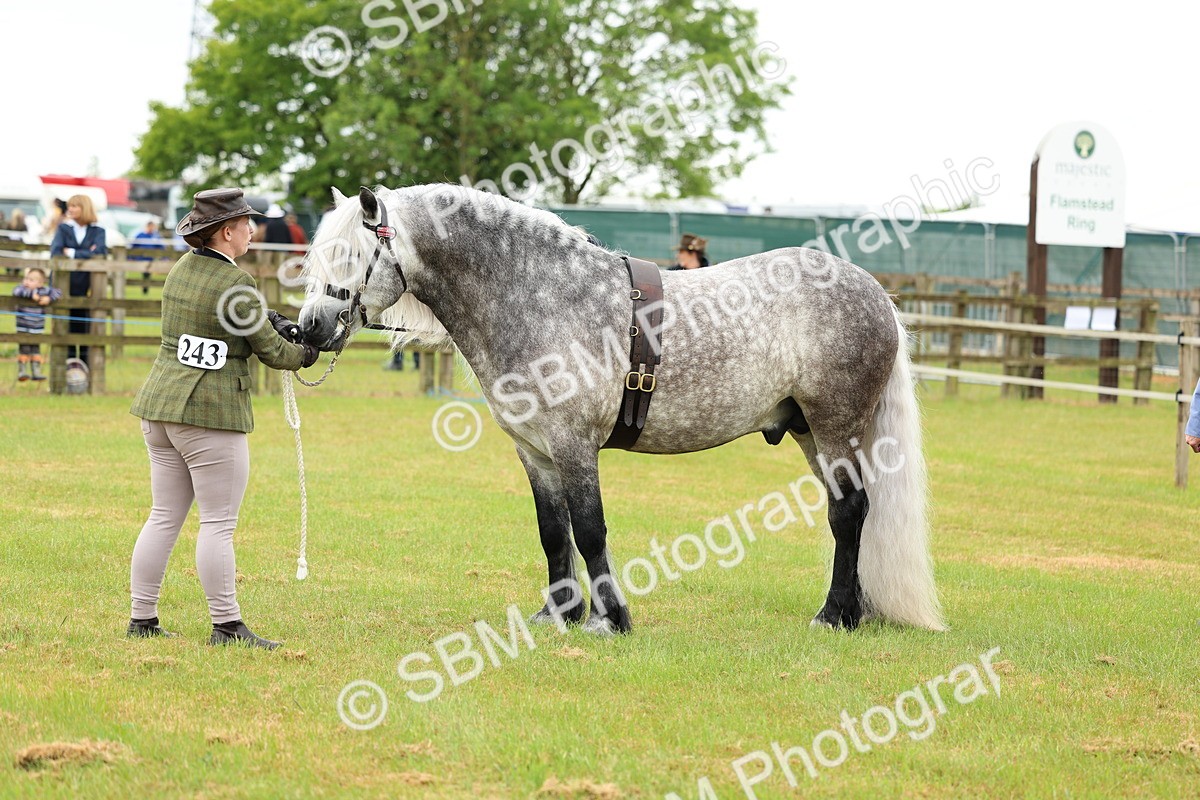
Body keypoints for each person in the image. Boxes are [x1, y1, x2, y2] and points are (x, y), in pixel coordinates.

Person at [127, 187, 319, 649]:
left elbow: (219, 321)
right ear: (227, 231)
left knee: (163, 516)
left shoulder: (181, 270)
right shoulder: (236, 284)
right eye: (246, 223)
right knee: (218, 523)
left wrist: (266, 315)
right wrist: (309, 353)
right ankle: (227, 625)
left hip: (160, 409)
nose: (253, 230)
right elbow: (272, 351)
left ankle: (142, 618)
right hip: (209, 415)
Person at [49, 194, 107, 367]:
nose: (70, 209)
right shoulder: (63, 229)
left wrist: (72, 252)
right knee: (63, 329)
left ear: (85, 208)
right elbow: (56, 252)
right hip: (62, 288)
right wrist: (87, 252)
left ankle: (82, 370)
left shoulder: (98, 231)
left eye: (75, 206)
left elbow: (100, 253)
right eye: (70, 206)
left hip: (86, 289)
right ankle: (64, 369)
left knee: (83, 330)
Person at [12, 266, 63, 381]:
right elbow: (16, 291)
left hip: (37, 328)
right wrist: (31, 295)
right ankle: (22, 371)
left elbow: (58, 292)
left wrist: (49, 299)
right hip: (23, 327)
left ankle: (36, 371)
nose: (26, 282)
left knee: (36, 350)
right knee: (24, 349)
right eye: (26, 279)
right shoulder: (22, 290)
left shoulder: (44, 291)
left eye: (31, 280)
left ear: (40, 283)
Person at [130, 219, 165, 295]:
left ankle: (145, 288)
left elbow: (161, 247)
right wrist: (131, 257)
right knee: (144, 274)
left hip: (150, 260)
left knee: (147, 274)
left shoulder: (155, 236)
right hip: (141, 259)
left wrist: (163, 257)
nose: (152, 228)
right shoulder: (140, 235)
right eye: (151, 226)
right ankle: (144, 288)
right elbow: (133, 246)